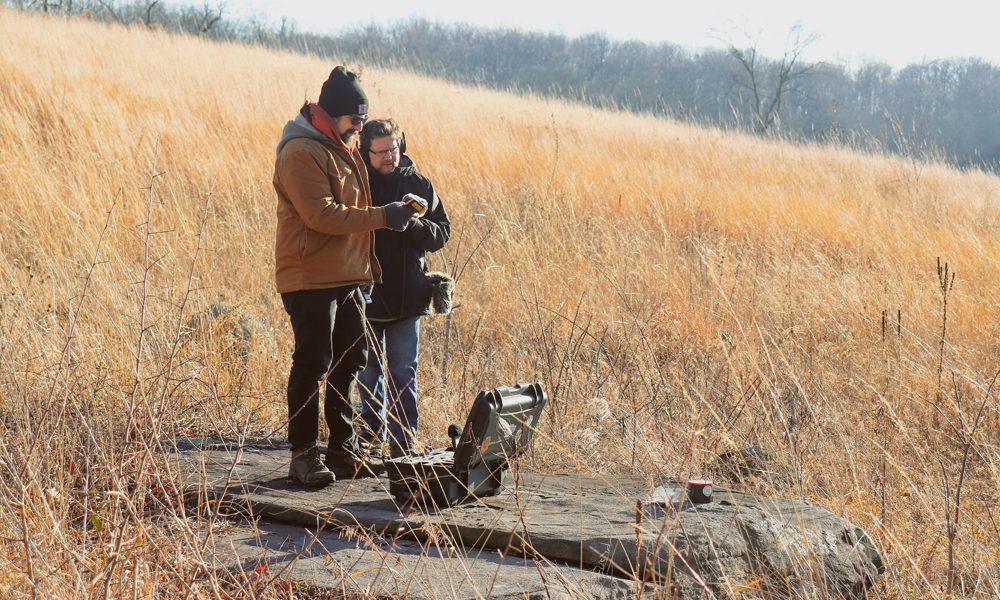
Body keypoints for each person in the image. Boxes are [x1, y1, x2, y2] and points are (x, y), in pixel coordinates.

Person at [273, 67, 420, 486]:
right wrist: (383, 218)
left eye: (362, 119)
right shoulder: (300, 151)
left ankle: (343, 450)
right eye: (354, 119)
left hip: (349, 276)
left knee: (351, 360)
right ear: (329, 113)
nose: (360, 127)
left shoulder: (343, 146)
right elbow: (320, 215)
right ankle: (303, 455)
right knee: (313, 363)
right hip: (309, 277)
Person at [357, 118, 451, 459]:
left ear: (402, 146)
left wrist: (413, 223)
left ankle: (402, 443)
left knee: (402, 371)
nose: (388, 157)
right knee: (367, 371)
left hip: (407, 296)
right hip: (364, 294)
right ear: (365, 152)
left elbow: (442, 232)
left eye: (393, 149)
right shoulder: (356, 184)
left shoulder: (419, 184)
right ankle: (369, 435)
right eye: (380, 151)